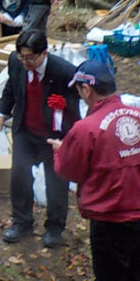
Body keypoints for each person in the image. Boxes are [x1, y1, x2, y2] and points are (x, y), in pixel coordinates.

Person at [49, 61, 140, 280]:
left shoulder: (86, 128)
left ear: (87, 90)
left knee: (110, 274)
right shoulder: (137, 115)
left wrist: (61, 151)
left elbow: (70, 170)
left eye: (79, 90)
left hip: (109, 218)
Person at [0, 30, 80, 248]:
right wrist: (2, 114)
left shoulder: (64, 72)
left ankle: (54, 227)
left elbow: (74, 108)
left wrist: (68, 139)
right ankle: (21, 221)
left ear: (44, 54)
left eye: (30, 58)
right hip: (25, 131)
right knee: (19, 177)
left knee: (56, 184)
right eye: (22, 57)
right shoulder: (16, 63)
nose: (25, 62)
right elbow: (10, 88)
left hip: (53, 137)